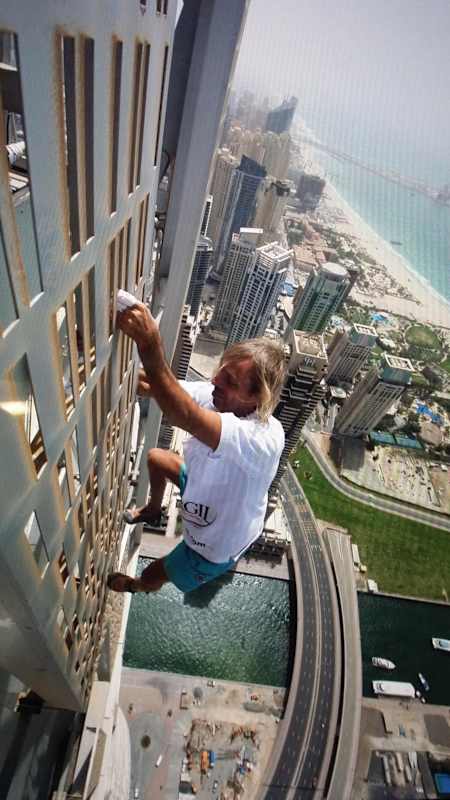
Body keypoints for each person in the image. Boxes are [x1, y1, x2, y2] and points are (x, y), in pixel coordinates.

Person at [107, 301, 285, 594]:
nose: (215, 380)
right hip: (204, 491)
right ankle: (153, 509)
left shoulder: (264, 438)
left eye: (230, 381)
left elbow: (183, 415)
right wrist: (98, 354)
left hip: (213, 544)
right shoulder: (217, 397)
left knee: (155, 572)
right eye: (221, 371)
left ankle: (137, 587)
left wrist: (150, 345)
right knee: (155, 458)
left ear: (255, 399)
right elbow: (156, 386)